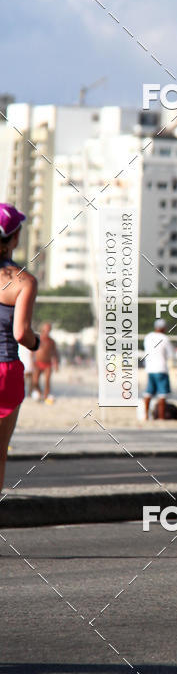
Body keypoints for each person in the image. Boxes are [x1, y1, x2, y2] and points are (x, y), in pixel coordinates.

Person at [0, 204, 39, 492]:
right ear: (15, 239)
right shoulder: (22, 281)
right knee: (0, 452)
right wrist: (36, 343)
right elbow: (21, 333)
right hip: (5, 369)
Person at [143, 318, 174, 420]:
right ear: (163, 328)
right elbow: (171, 354)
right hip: (161, 368)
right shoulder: (165, 338)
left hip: (150, 368)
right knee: (162, 394)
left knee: (148, 393)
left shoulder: (148, 337)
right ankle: (161, 417)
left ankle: (146, 416)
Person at [31, 322, 59, 403]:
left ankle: (46, 396)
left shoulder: (51, 341)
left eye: (49, 329)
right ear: (42, 329)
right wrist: (31, 362)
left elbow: (54, 352)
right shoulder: (38, 338)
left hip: (48, 364)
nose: (47, 331)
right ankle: (40, 393)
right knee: (35, 381)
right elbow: (32, 351)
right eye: (46, 329)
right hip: (38, 363)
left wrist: (56, 363)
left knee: (47, 381)